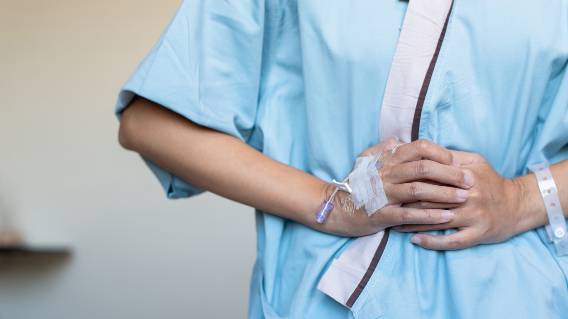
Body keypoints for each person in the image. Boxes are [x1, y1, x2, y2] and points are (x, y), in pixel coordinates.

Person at [116, 1, 568, 318]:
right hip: (319, 299)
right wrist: (331, 202)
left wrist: (522, 198)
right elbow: (152, 122)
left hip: (517, 297)